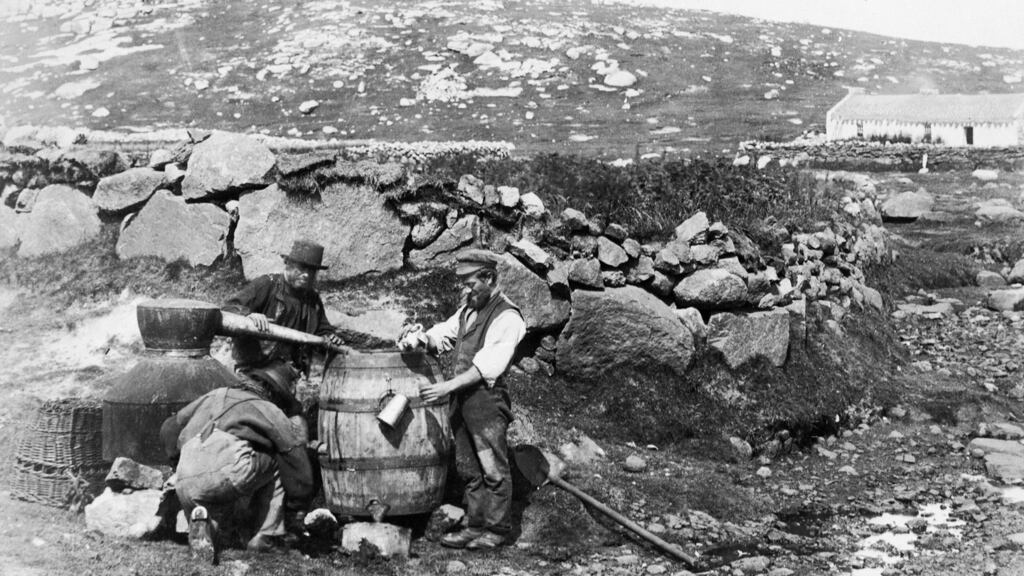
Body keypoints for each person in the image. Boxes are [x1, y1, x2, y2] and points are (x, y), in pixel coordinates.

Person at [398, 249, 526, 550]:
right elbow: (445, 332)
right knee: (468, 467)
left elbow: (487, 366)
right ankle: (474, 524)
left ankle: (496, 530)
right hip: (461, 399)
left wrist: (446, 387)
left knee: (492, 467)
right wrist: (421, 338)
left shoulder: (507, 316)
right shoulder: (469, 309)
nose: (465, 290)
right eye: (463, 284)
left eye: (470, 283)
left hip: (486, 401)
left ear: (489, 277)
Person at [159, 365, 314, 564]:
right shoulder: (268, 408)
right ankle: (266, 536)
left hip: (185, 476)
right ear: (274, 392)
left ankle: (205, 527)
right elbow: (294, 454)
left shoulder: (215, 394)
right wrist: (298, 502)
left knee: (210, 506)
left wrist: (175, 460)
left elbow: (169, 427)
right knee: (277, 460)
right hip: (226, 473)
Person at [223, 239, 344, 410]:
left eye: (312, 271)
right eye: (302, 268)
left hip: (286, 375)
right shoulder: (267, 285)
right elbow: (229, 308)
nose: (307, 275)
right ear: (287, 263)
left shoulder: (312, 299)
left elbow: (323, 329)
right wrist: (249, 316)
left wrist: (330, 336)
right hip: (250, 369)